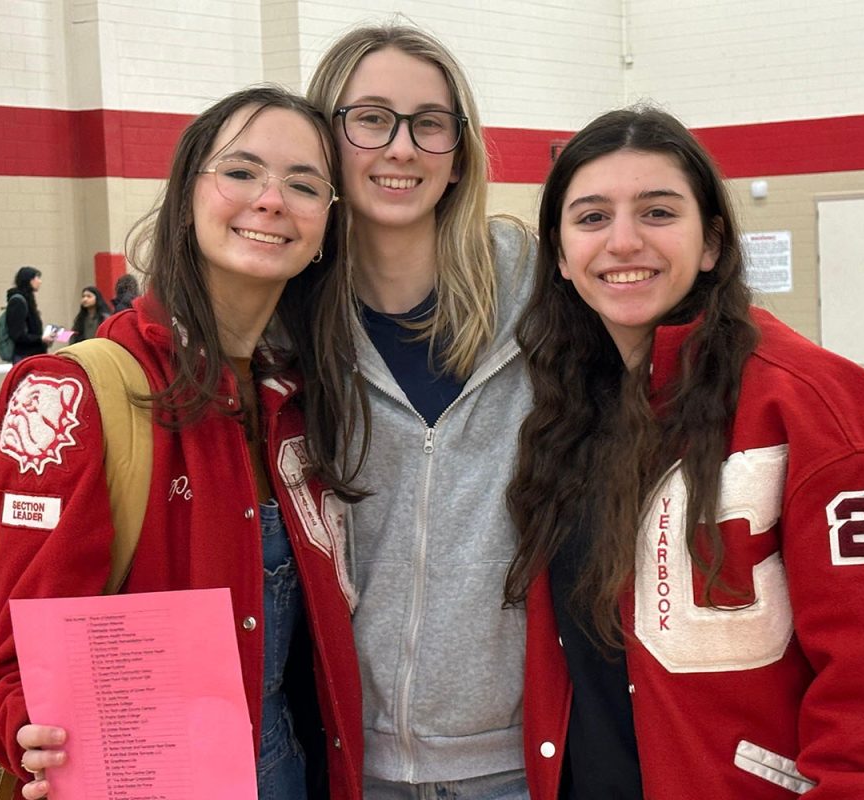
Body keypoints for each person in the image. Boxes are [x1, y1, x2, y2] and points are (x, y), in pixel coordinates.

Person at [505, 107, 864, 799]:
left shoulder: (819, 408)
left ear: (712, 243)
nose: (622, 241)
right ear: (558, 254)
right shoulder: (569, 414)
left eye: (658, 212)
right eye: (590, 218)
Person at [0, 85, 363, 799]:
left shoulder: (305, 398)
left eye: (304, 184)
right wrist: (30, 735)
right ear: (187, 194)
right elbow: (16, 666)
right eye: (241, 172)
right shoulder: (76, 394)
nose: (272, 200)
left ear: (327, 227)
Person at [305, 24, 535, 799]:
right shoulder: (287, 326)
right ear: (326, 140)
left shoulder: (542, 295)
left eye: (429, 123)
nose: (400, 148)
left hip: (515, 764)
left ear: (459, 150)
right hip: (340, 760)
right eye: (370, 118)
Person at [5, 266, 53, 363]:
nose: (40, 282)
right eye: (37, 278)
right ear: (29, 280)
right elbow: (17, 334)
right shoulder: (18, 302)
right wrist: (40, 339)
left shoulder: (28, 299)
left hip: (33, 354)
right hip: (25, 356)